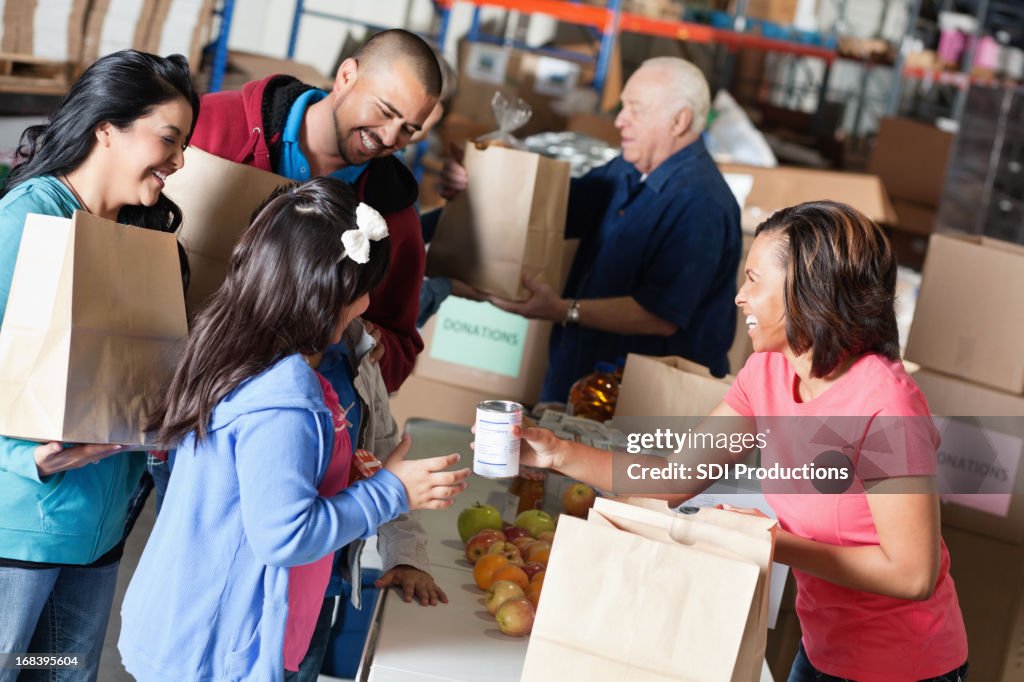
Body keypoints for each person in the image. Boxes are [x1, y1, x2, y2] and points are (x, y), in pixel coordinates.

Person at [511, 201, 969, 682]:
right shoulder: (769, 372)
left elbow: (912, 574)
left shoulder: (884, 405)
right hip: (822, 652)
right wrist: (555, 452)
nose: (738, 297)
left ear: (805, 292)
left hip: (906, 667)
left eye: (753, 279)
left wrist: (768, 541)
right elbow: (672, 479)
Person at [118, 177, 469, 682]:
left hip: (191, 621)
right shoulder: (286, 399)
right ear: (319, 295)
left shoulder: (232, 347)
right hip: (222, 650)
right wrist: (392, 492)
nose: (367, 307)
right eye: (360, 293)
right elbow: (286, 536)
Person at [0, 50, 199, 681]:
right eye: (169, 139)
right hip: (20, 532)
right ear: (106, 127)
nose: (179, 161)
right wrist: (20, 457)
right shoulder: (30, 217)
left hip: (99, 534)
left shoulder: (142, 240)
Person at [440, 57, 741, 402]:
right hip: (581, 384)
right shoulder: (627, 170)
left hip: (644, 406)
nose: (619, 121)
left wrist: (565, 310)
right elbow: (556, 209)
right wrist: (484, 179)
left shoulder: (700, 203)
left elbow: (661, 314)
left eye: (635, 110)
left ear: (679, 120)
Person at [189, 28, 442, 393]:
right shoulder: (215, 125)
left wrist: (370, 344)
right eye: (385, 112)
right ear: (346, 77)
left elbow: (401, 352)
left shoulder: (395, 217)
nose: (389, 138)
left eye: (408, 130)